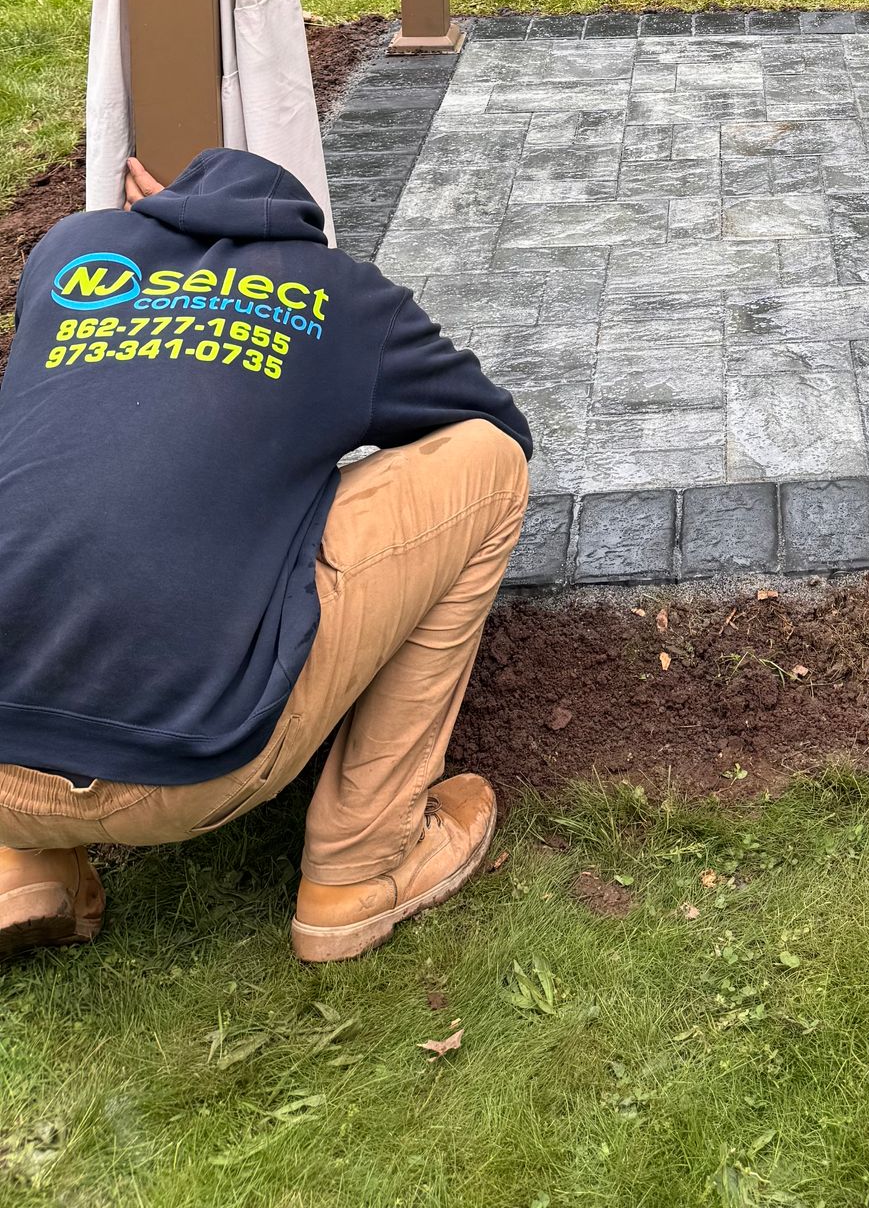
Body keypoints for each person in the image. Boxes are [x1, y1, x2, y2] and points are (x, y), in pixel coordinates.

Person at [0, 146, 532, 965]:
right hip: (185, 766)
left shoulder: (69, 251)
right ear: (296, 230)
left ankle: (19, 866)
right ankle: (364, 863)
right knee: (488, 467)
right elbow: (494, 419)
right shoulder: (335, 291)